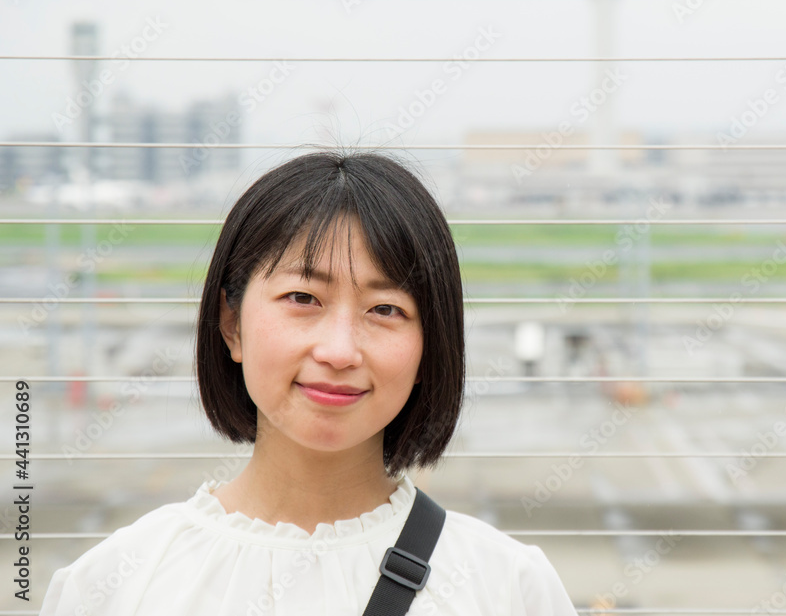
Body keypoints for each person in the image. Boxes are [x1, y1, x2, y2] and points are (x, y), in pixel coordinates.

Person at [39, 151, 577, 615]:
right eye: (303, 299)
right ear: (232, 324)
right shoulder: (112, 585)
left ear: (430, 345)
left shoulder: (509, 588)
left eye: (385, 308)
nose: (339, 351)